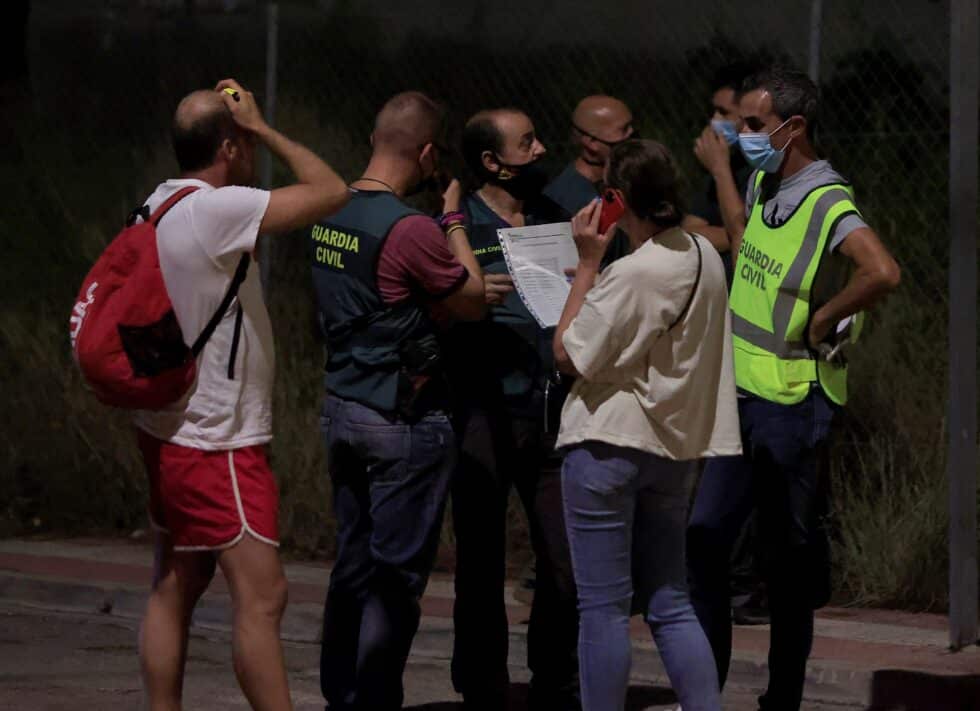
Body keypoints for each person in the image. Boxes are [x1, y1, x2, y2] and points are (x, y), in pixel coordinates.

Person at [686, 67, 901, 710]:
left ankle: (779, 700)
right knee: (704, 538)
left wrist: (825, 316)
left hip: (790, 404)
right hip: (741, 394)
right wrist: (726, 172)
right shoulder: (761, 178)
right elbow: (749, 244)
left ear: (793, 127)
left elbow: (882, 271)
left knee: (785, 565)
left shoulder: (827, 197)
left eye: (754, 125)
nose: (743, 133)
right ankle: (704, 693)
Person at [133, 79, 349, 711]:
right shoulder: (214, 211)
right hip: (217, 438)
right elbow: (330, 191)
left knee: (176, 581)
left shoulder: (158, 202)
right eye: (242, 142)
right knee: (263, 597)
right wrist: (262, 128)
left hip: (167, 427)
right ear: (228, 145)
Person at [553, 139, 741, 711]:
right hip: (674, 449)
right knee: (671, 601)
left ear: (618, 198)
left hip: (608, 444)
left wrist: (587, 267)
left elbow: (566, 354)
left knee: (604, 608)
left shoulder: (633, 271)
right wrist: (601, 281)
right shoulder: (704, 255)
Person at [313, 91, 486, 711]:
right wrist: (454, 219)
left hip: (342, 405)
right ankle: (375, 698)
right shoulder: (409, 227)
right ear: (428, 152)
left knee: (351, 566)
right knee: (395, 579)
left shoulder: (329, 210)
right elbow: (467, 298)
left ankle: (342, 692)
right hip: (401, 416)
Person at [445, 108, 579, 711]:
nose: (542, 148)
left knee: (565, 558)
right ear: (492, 162)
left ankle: (556, 681)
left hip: (551, 409)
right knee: (480, 561)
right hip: (482, 411)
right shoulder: (455, 224)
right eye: (528, 142)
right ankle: (483, 686)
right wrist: (465, 299)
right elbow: (421, 308)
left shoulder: (552, 217)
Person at [686, 63, 771, 627]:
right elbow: (694, 225)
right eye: (720, 116)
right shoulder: (714, 176)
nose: (726, 129)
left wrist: (722, 175)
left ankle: (750, 586)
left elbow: (743, 243)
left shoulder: (768, 175)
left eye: (738, 119)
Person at [543, 94, 636, 265]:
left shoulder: (623, 180)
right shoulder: (567, 201)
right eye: (624, 130)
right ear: (591, 142)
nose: (632, 135)